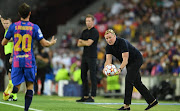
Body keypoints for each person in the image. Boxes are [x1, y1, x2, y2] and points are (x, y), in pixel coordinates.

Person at [1, 3, 57, 111]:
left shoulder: (13, 26)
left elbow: (4, 42)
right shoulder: (34, 27)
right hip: (28, 60)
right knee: (30, 86)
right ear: (30, 13)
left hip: (17, 60)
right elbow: (44, 43)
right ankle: (26, 109)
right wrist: (51, 43)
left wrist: (9, 39)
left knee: (16, 84)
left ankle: (11, 92)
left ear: (19, 14)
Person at [103, 29, 158, 110]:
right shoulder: (108, 47)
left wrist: (120, 69)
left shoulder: (122, 42)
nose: (108, 40)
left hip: (136, 59)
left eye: (110, 37)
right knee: (137, 83)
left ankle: (126, 105)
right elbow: (108, 60)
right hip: (129, 63)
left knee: (128, 80)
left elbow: (125, 59)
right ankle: (152, 101)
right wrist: (105, 69)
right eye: (106, 38)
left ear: (115, 36)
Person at [76, 14, 99, 102]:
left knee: (92, 76)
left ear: (93, 22)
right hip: (85, 56)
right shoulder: (84, 31)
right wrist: (84, 42)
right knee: (83, 76)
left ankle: (92, 96)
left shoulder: (94, 32)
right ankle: (85, 95)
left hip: (92, 56)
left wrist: (83, 42)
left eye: (89, 21)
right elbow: (78, 43)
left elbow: (89, 43)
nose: (88, 23)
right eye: (86, 21)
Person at [0, 15, 18, 101]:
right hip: (7, 54)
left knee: (12, 75)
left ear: (11, 24)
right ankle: (12, 94)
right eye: (4, 23)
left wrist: (12, 56)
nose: (5, 24)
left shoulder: (13, 31)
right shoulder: (7, 30)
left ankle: (13, 95)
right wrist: (1, 18)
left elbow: (15, 42)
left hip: (11, 54)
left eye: (7, 23)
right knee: (10, 74)